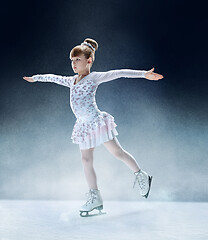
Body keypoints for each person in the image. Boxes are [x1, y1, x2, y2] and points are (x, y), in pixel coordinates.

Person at [23, 38, 164, 216]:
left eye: (78, 60)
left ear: (88, 61)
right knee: (86, 161)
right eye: (72, 61)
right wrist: (36, 78)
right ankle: (95, 197)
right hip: (83, 126)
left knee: (117, 153)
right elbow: (53, 78)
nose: (74, 64)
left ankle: (141, 174)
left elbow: (119, 73)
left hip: (96, 123)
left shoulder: (94, 77)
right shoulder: (71, 80)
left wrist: (144, 74)